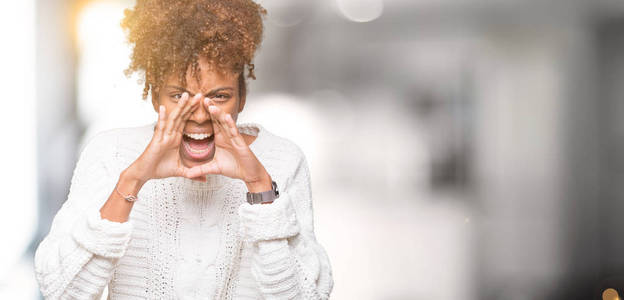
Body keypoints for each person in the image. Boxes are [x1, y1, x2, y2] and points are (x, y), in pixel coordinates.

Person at [33, 0, 334, 298]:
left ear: (242, 97)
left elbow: (306, 295)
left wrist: (260, 188)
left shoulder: (281, 160)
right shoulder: (110, 153)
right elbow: (62, 292)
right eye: (179, 95)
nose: (200, 115)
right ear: (154, 97)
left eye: (219, 96)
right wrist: (132, 181)